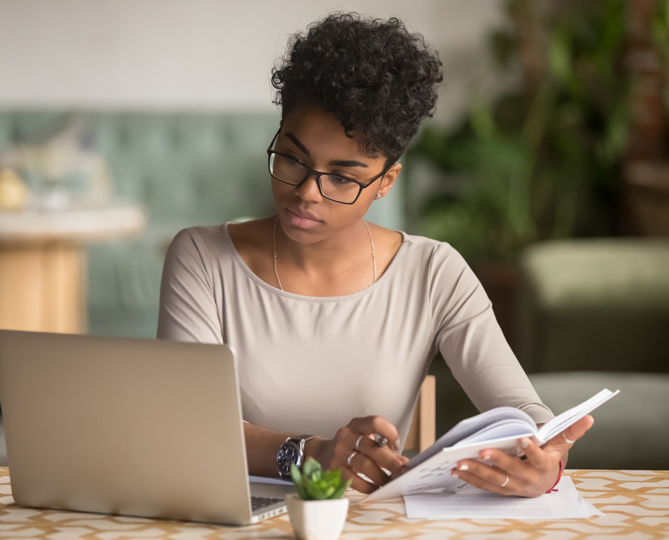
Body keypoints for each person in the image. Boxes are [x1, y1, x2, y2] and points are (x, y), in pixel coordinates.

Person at [157, 12, 593, 497]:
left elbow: (519, 407)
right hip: (234, 520)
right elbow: (185, 422)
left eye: (342, 176)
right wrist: (309, 454)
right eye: (292, 157)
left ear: (386, 182)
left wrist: (545, 460)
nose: (307, 192)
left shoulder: (433, 272)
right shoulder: (201, 258)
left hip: (373, 523)